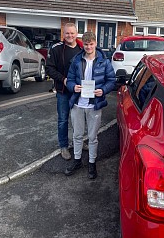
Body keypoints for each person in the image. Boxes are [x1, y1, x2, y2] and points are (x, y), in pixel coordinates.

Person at [65, 31, 115, 179]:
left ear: (95, 44)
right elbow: (70, 79)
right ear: (83, 45)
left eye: (91, 44)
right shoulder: (76, 60)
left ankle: (92, 163)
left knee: (93, 137)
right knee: (77, 135)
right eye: (86, 44)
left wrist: (103, 90)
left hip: (94, 105)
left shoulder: (104, 62)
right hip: (78, 104)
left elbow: (111, 80)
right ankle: (77, 160)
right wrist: (73, 87)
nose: (88, 47)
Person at [46, 23, 82, 160]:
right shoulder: (56, 49)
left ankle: (78, 141)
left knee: (78, 120)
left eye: (72, 33)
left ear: (76, 33)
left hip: (78, 92)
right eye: (67, 33)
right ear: (63, 34)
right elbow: (49, 68)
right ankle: (64, 146)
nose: (70, 36)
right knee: (63, 120)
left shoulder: (81, 48)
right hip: (63, 91)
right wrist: (63, 79)